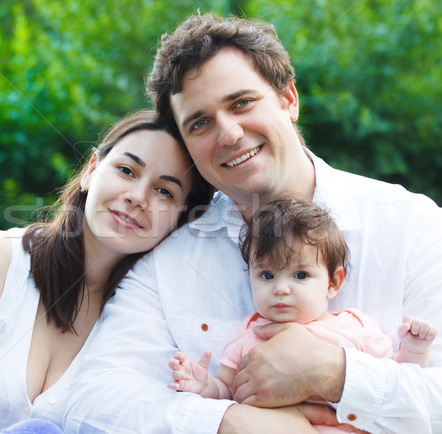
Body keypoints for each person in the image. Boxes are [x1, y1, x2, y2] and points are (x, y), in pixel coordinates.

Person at [64, 13, 442, 434]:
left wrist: (333, 372)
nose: (228, 134)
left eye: (242, 102)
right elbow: (93, 396)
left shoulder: (412, 226)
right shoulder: (168, 259)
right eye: (200, 123)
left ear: (289, 100)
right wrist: (234, 422)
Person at [0, 109, 214, 434]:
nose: (137, 197)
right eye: (126, 170)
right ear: (91, 171)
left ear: (179, 220)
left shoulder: (150, 321)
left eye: (165, 192)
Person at [169, 198, 437, 433]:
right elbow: (226, 389)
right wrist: (203, 385)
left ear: (333, 283)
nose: (281, 289)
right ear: (250, 277)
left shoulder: (353, 326)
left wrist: (413, 350)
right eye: (267, 275)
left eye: (300, 275)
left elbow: (394, 379)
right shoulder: (249, 332)